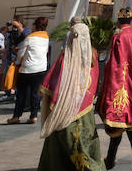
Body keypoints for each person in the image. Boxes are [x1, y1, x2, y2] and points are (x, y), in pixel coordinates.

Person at [37, 22, 104, 171]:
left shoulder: (65, 56)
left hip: (64, 110)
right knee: (83, 145)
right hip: (85, 111)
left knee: (63, 145)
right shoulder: (93, 54)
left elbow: (50, 85)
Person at [99, 8, 132, 170]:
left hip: (121, 85)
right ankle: (129, 162)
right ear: (131, 19)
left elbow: (113, 66)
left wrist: (106, 88)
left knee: (122, 126)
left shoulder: (118, 36)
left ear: (119, 20)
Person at [7, 16, 50, 124]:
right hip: (40, 68)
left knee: (21, 93)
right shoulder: (46, 37)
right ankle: (34, 115)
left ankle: (16, 116)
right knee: (35, 93)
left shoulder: (30, 38)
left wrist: (17, 58)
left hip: (27, 69)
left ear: (35, 26)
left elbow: (20, 54)